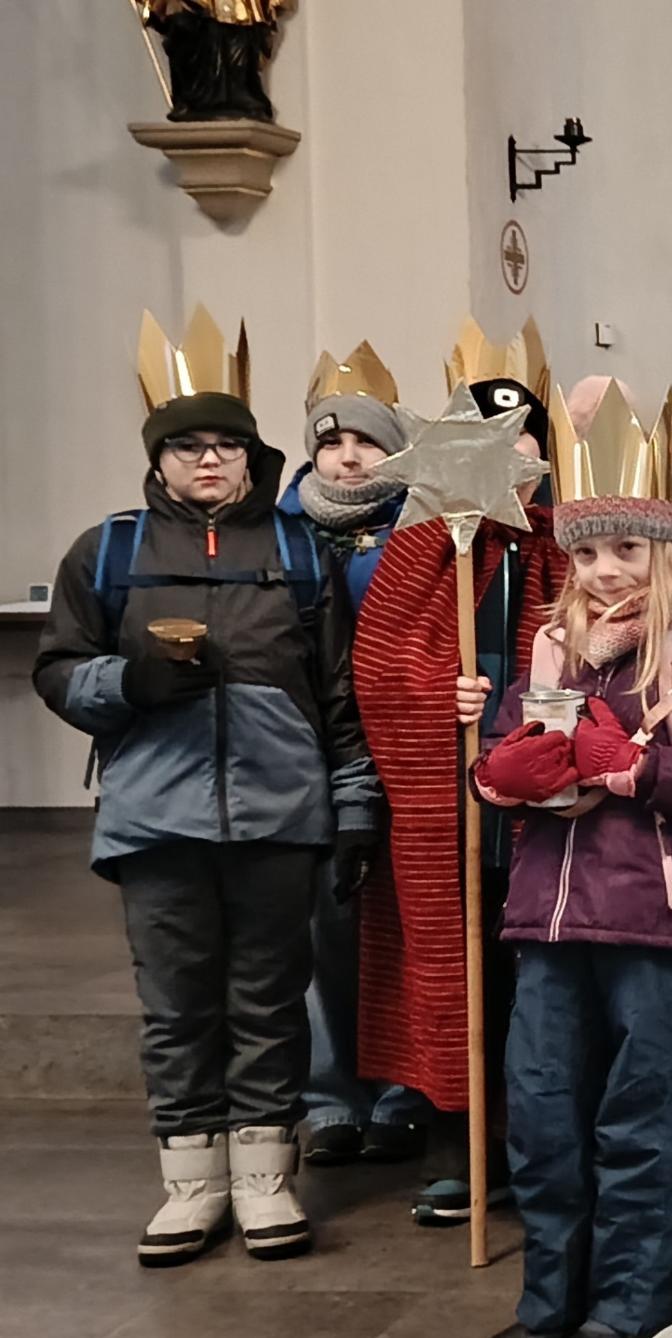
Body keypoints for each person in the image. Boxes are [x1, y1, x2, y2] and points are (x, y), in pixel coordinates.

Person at [33, 308, 380, 1266]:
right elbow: (60, 670)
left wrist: (351, 812)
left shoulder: (302, 552)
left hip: (279, 813)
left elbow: (340, 697)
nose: (210, 462)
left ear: (251, 456)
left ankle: (266, 1175)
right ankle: (191, 1183)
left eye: (227, 445)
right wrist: (128, 683)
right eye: (189, 448)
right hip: (157, 818)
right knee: (179, 1002)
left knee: (270, 997)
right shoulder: (107, 552)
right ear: (160, 462)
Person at [472, 385, 672, 1338]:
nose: (606, 571)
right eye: (588, 552)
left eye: (626, 549)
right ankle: (548, 1312)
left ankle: (636, 1316)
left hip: (662, 915)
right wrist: (501, 771)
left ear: (669, 551)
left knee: (642, 1128)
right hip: (549, 920)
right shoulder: (552, 646)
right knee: (544, 1129)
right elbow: (503, 761)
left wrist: (638, 766)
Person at [351, 321, 572, 1227]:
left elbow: (591, 654)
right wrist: (435, 695)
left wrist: (527, 712)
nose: (508, 458)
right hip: (447, 802)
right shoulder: (419, 547)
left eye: (524, 442)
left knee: (540, 980)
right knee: (456, 970)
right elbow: (381, 663)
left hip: (541, 802)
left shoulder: (561, 543)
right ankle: (460, 1148)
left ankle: (544, 1145)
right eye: (488, 440)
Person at [276, 341, 427, 1169]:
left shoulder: (423, 526)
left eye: (364, 441)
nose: (346, 455)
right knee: (323, 926)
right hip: (314, 751)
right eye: (331, 441)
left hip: (405, 747)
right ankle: (332, 1097)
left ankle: (403, 1089)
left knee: (400, 926)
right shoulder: (286, 533)